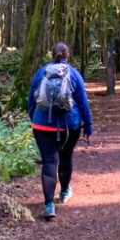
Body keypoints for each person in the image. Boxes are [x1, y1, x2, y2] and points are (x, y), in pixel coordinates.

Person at [27, 42, 92, 220]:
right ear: (67, 56)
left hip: (42, 125)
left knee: (49, 162)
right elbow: (83, 102)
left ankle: (48, 205)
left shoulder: (41, 72)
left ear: (52, 55)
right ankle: (64, 192)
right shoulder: (74, 74)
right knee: (65, 157)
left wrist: (35, 119)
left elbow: (31, 101)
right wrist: (88, 125)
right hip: (69, 125)